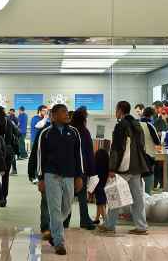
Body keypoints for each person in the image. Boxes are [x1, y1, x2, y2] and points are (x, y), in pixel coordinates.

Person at [36, 104, 83, 255]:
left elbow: (78, 156)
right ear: (54, 114)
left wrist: (79, 177)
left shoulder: (74, 132)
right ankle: (59, 242)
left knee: (67, 208)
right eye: (63, 112)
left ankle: (53, 230)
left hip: (69, 175)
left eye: (66, 111)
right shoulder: (45, 133)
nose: (66, 114)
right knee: (54, 208)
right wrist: (41, 178)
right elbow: (40, 157)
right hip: (51, 175)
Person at [97, 101, 149, 236]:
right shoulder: (137, 124)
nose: (115, 112)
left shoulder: (121, 126)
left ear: (120, 110)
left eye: (116, 110)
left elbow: (116, 149)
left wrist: (112, 168)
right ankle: (142, 227)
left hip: (124, 167)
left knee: (115, 195)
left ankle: (109, 225)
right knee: (137, 198)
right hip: (137, 166)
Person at [62, 110, 96, 230]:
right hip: (82, 167)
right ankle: (85, 220)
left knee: (68, 195)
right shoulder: (85, 132)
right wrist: (92, 170)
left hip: (69, 167)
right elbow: (89, 153)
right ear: (84, 119)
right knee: (82, 196)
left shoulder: (68, 131)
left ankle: (65, 220)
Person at [0, 105, 21, 204]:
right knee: (6, 175)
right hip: (10, 149)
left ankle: (0, 197)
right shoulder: (9, 121)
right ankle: (4, 197)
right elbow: (17, 133)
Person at [140, 107, 160, 194]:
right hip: (149, 155)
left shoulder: (136, 124)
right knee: (148, 178)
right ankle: (146, 196)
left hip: (137, 154)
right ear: (151, 116)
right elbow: (157, 141)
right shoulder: (150, 126)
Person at [92, 148, 110, 225]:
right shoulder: (108, 165)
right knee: (100, 203)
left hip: (98, 186)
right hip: (105, 185)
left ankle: (106, 221)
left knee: (101, 204)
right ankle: (97, 218)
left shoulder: (96, 165)